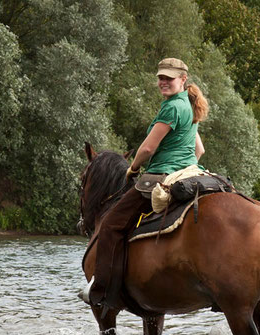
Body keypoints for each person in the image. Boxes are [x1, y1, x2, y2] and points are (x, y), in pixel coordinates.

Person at [81, 57, 209, 309]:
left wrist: (133, 169)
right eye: (161, 77)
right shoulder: (188, 105)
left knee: (110, 227)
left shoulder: (172, 107)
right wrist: (183, 168)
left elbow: (148, 148)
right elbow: (200, 151)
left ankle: (100, 288)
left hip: (160, 176)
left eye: (169, 78)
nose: (163, 82)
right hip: (189, 172)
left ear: (183, 79)